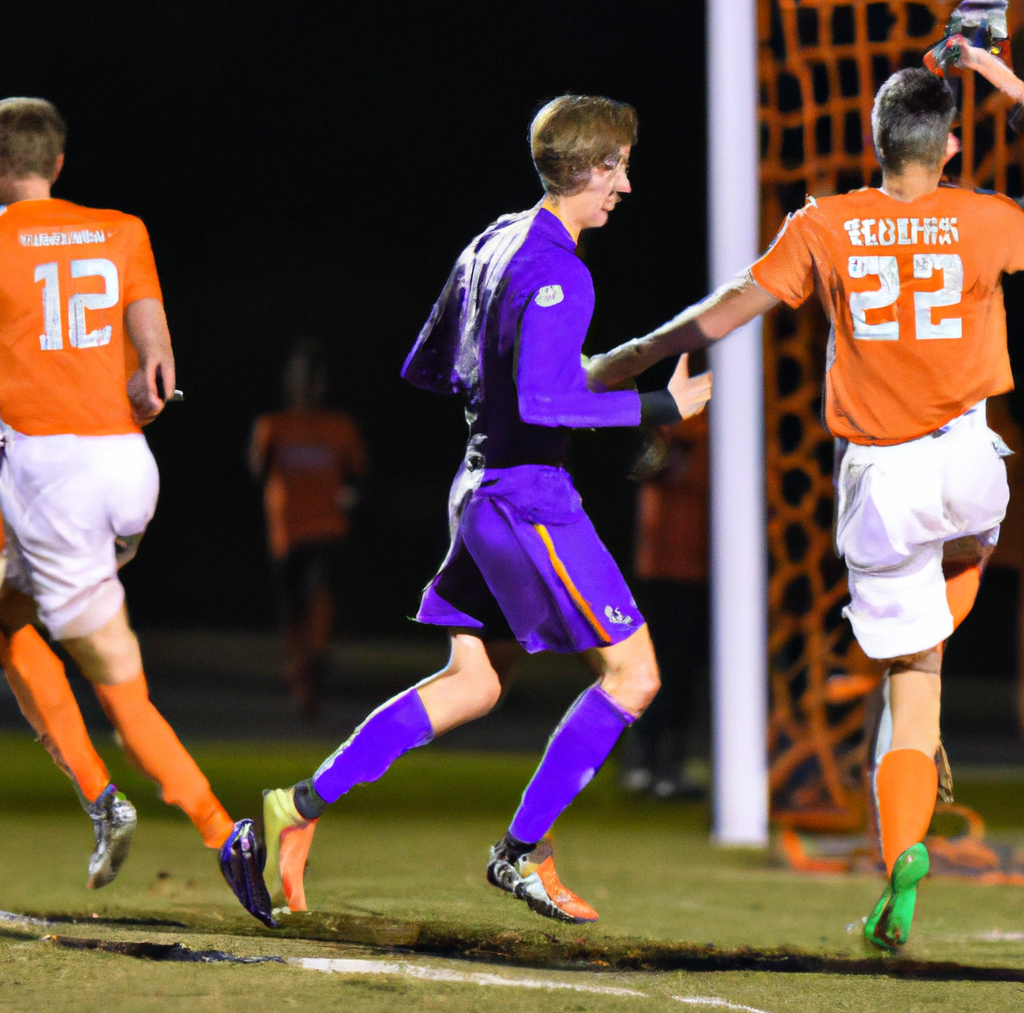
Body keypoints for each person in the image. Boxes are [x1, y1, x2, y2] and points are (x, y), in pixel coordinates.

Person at [586, 65, 1022, 949]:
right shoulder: (986, 217)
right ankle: (932, 648)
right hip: (972, 460)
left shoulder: (826, 223)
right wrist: (999, 75)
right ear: (948, 145)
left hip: (882, 478)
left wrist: (631, 356)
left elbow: (726, 312)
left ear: (875, 141)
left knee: (914, 683)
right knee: (969, 556)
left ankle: (902, 851)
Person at [262, 94, 712, 922]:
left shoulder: (491, 240)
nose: (627, 186)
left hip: (476, 488)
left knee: (472, 683)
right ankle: (519, 854)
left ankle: (294, 808)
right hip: (527, 496)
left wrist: (555, 381)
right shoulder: (558, 268)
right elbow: (543, 399)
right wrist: (657, 409)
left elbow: (436, 364)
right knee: (635, 675)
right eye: (618, 168)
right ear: (589, 168)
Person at [0, 97, 273, 926]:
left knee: (117, 690)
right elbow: (157, 371)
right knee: (12, 615)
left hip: (53, 480)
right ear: (60, 161)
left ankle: (215, 829)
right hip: (129, 472)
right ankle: (110, 802)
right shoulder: (122, 229)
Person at [249, 339, 367, 716]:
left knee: (319, 591)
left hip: (328, 527)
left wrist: (349, 493)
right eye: (303, 378)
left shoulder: (340, 427)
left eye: (315, 379)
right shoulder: (273, 426)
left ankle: (313, 660)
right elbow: (258, 471)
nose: (309, 386)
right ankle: (301, 670)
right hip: (287, 531)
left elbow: (359, 475)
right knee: (292, 607)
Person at [621, 413, 710, 798]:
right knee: (652, 667)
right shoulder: (666, 430)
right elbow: (642, 470)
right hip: (657, 566)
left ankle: (670, 761)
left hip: (695, 567)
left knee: (683, 670)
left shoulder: (710, 431)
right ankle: (644, 759)